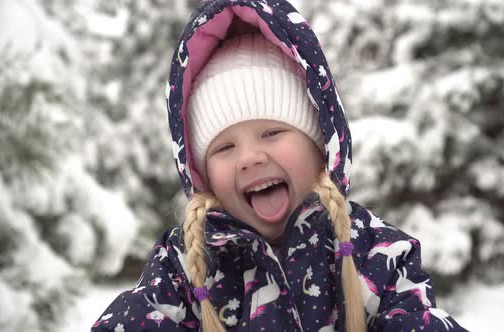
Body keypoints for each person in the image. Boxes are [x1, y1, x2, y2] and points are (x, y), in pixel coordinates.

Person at [92, 1, 468, 331]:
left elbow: (413, 318)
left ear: (321, 145)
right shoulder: (185, 269)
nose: (250, 157)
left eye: (271, 132)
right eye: (224, 147)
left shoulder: (372, 253)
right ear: (203, 174)